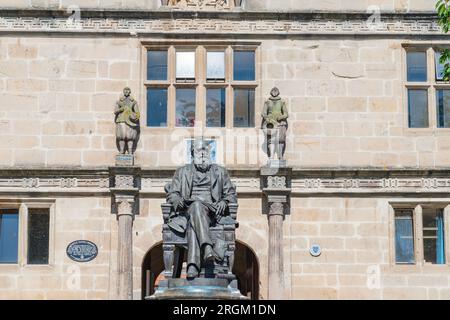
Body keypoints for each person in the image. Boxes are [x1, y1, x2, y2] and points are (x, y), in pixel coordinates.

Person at [166, 140, 237, 278]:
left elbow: (231, 194)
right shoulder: (182, 172)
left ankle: (193, 266)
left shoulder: (220, 172)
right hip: (187, 211)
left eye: (206, 150)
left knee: (195, 214)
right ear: (193, 153)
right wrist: (177, 200)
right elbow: (172, 194)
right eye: (199, 150)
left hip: (213, 213)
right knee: (196, 207)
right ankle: (207, 249)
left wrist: (225, 201)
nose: (203, 153)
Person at [261, 87, 289, 160]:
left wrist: (281, 117)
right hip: (271, 124)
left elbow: (286, 114)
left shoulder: (282, 102)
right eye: (273, 91)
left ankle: (280, 156)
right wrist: (268, 119)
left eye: (276, 91)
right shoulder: (267, 102)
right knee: (271, 140)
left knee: (281, 140)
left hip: (280, 123)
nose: (274, 92)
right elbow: (263, 113)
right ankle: (271, 156)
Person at [114, 87, 140, 154]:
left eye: (128, 90)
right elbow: (115, 111)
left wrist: (133, 116)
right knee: (121, 136)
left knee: (130, 137)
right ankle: (122, 150)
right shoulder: (119, 101)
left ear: (130, 92)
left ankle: (130, 151)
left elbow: (137, 113)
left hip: (130, 121)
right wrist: (121, 109)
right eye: (125, 90)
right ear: (123, 91)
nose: (126, 92)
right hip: (121, 120)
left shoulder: (133, 102)